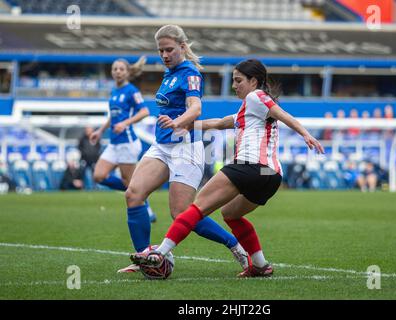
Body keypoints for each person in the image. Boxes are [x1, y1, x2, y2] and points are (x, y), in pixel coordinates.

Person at [132, 59, 324, 277]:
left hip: (249, 166)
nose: (234, 85)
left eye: (238, 80)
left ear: (254, 81)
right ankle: (260, 266)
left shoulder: (256, 96)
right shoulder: (250, 109)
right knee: (231, 214)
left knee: (195, 208)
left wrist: (306, 134)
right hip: (270, 176)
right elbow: (220, 122)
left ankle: (159, 253)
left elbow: (282, 114)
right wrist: (183, 124)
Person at [121, 25, 249, 273]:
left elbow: (195, 109)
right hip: (162, 145)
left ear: (182, 46)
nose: (165, 55)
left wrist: (178, 122)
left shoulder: (190, 73)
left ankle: (236, 246)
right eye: (161, 51)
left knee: (181, 213)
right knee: (133, 194)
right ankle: (146, 256)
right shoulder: (169, 73)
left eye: (169, 49)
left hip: (185, 147)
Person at [89, 56, 157, 270]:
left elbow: (145, 111)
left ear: (127, 72)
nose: (117, 72)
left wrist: (126, 123)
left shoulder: (131, 91)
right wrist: (101, 131)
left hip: (127, 143)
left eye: (120, 69)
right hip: (114, 143)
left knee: (131, 186)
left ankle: (146, 208)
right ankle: (144, 203)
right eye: (114, 69)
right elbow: (112, 116)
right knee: (99, 176)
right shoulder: (114, 91)